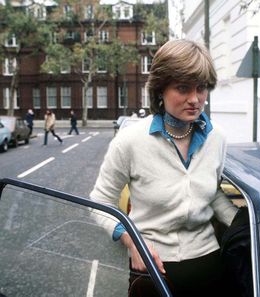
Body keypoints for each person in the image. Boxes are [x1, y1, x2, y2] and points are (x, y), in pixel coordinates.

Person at [90, 39, 238, 297]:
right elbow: (100, 201)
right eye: (182, 88)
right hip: (150, 266)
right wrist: (132, 242)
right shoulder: (130, 141)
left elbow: (211, 192)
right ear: (160, 90)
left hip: (209, 263)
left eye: (201, 88)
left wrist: (247, 225)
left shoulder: (218, 138)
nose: (195, 99)